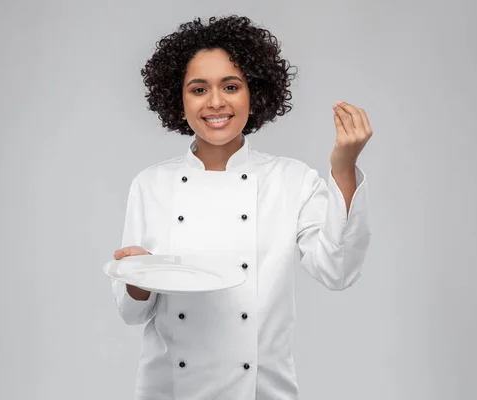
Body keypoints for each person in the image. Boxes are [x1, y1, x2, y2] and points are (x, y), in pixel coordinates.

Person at [110, 15, 373, 400]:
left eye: (230, 86)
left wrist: (344, 166)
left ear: (254, 92)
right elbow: (131, 313)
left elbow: (340, 270)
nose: (215, 102)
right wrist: (135, 276)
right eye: (199, 89)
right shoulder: (151, 185)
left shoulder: (291, 180)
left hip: (261, 391)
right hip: (169, 389)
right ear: (178, 98)